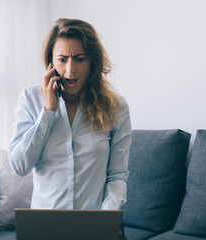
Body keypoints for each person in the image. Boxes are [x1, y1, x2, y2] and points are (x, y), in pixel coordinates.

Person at [8, 18, 131, 239]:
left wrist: (106, 221)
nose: (70, 70)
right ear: (50, 63)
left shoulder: (116, 107)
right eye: (62, 60)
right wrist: (48, 112)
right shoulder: (30, 99)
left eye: (80, 59)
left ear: (92, 61)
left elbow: (117, 176)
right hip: (43, 230)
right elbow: (19, 166)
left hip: (96, 230)